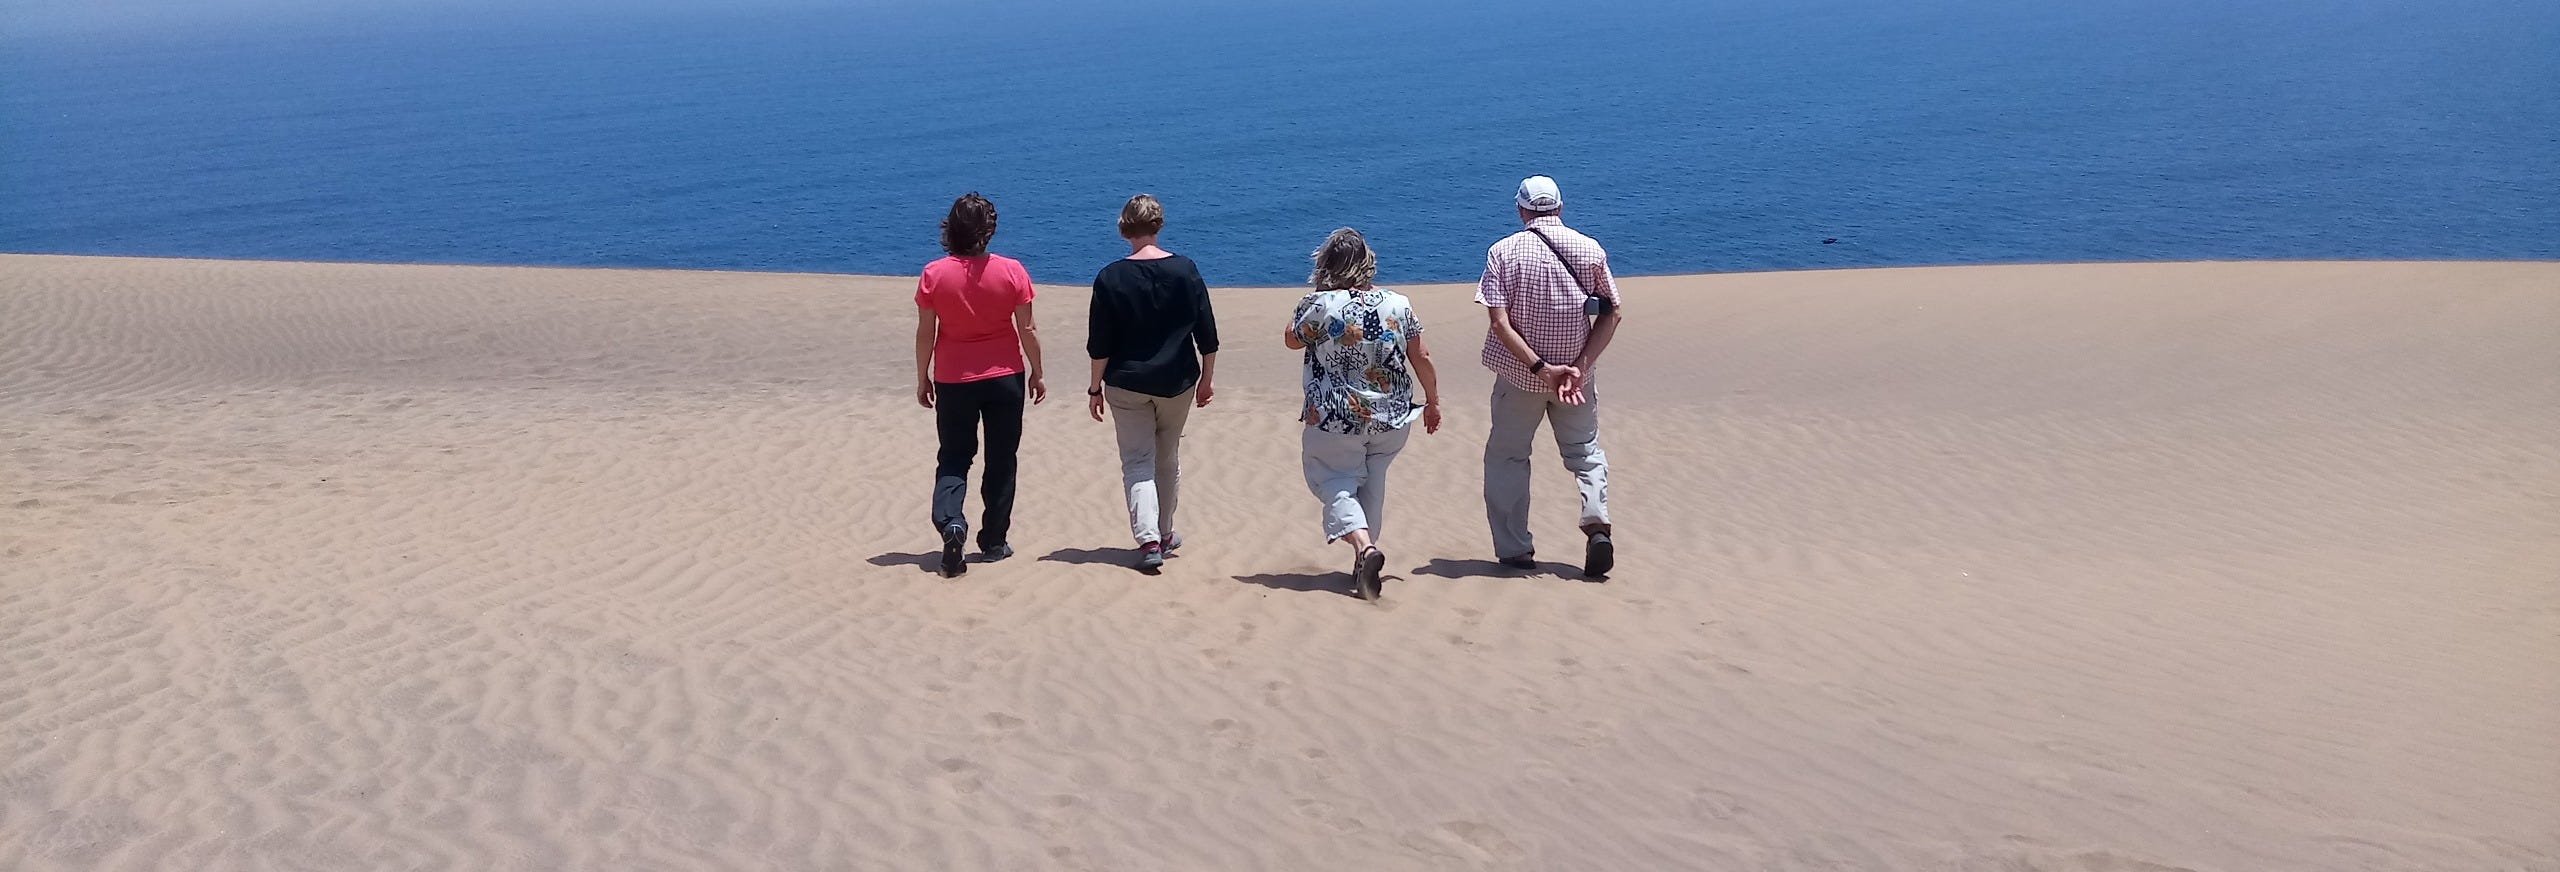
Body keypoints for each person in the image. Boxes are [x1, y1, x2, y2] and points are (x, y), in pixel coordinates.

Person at [1475, 175, 1623, 577]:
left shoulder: (1503, 252)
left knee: (1507, 457)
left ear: (1521, 209)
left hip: (1520, 377)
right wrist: (1580, 366)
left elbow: (1499, 323)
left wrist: (1540, 368)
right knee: (1585, 452)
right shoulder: (1589, 248)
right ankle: (1596, 526)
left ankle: (1515, 549)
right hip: (1576, 381)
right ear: (1559, 207)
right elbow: (1613, 313)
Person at [1286, 228, 1442, 601]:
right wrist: (1433, 401)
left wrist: (1312, 303)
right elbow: (1421, 356)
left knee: (1334, 482)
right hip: (1391, 417)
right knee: (1373, 481)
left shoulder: (1320, 303)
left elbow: (1292, 339)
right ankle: (1363, 561)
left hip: (1334, 417)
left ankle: (1365, 548)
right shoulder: (1399, 304)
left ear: (1326, 264)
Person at [1084, 194, 1220, 571]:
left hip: (1126, 384)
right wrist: (1207, 379)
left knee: (1138, 461)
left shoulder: (1110, 277)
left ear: (1125, 227)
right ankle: (1162, 531)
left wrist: (1095, 388)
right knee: (1167, 457)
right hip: (1178, 382)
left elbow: (1100, 344)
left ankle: (1149, 540)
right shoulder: (1185, 270)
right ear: (1158, 225)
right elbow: (1207, 334)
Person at [915, 192, 1046, 577]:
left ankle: (951, 521)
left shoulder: (934, 274)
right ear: (989, 230)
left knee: (955, 456)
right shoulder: (1012, 270)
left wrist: (922, 375)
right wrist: (1038, 371)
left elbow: (926, 332)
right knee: (1001, 460)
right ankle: (993, 542)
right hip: (1005, 377)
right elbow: (1028, 329)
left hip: (954, 379)